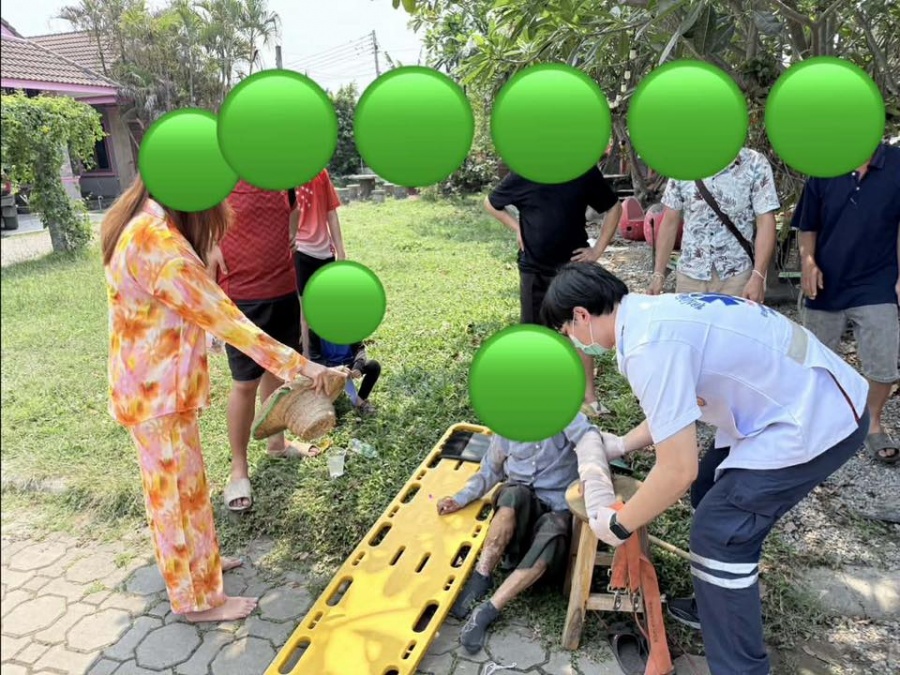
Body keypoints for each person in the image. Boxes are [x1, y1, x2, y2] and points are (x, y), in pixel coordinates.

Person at [540, 262, 869, 675]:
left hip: (817, 417)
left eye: (567, 331)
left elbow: (678, 470)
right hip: (799, 395)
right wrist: (621, 444)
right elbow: (680, 407)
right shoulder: (652, 315)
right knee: (709, 488)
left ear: (582, 315)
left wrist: (619, 525)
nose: (574, 342)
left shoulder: (647, 346)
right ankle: (716, 599)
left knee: (719, 534)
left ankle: (739, 668)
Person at [102, 177, 346, 623]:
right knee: (174, 499)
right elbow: (228, 321)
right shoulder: (156, 241)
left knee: (189, 490)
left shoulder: (149, 223)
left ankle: (202, 565)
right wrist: (306, 367)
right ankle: (196, 602)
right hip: (156, 394)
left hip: (162, 389)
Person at [436, 413, 622, 654]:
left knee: (553, 531)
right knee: (512, 496)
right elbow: (490, 469)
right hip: (522, 512)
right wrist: (460, 498)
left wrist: (595, 479)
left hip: (557, 508)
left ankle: (488, 610)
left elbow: (590, 437)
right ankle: (482, 575)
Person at [206, 180, 317, 515]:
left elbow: (293, 208)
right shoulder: (221, 176)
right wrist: (210, 244)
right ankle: (238, 469)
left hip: (282, 288)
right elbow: (195, 213)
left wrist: (292, 232)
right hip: (242, 296)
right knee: (245, 383)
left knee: (278, 373)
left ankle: (277, 444)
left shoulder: (281, 176)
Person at [485, 164, 623, 417]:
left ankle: (589, 399)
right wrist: (517, 228)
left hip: (574, 267)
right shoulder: (525, 172)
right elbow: (491, 203)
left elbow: (614, 207)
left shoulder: (583, 170)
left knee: (582, 333)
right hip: (534, 268)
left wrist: (598, 249)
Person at [793, 139, 900, 464]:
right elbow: (807, 225)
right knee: (813, 362)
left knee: (883, 363)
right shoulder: (824, 164)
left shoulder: (896, 163)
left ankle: (871, 422)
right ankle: (817, 423)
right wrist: (808, 263)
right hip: (825, 282)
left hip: (876, 282)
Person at [648, 147, 780, 302]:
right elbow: (670, 222)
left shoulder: (754, 162)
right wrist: (658, 274)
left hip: (737, 278)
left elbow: (765, 221)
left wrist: (758, 276)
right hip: (690, 277)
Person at [291, 169, 347, 363]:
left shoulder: (321, 174)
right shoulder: (285, 177)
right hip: (300, 250)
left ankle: (331, 357)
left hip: (325, 251)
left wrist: (341, 251)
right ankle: (307, 360)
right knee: (305, 311)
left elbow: (331, 213)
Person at [319, 339, 381, 416]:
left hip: (348, 365)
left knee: (374, 366)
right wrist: (337, 369)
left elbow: (360, 349)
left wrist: (357, 367)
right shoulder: (316, 335)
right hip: (328, 369)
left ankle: (360, 400)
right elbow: (314, 359)